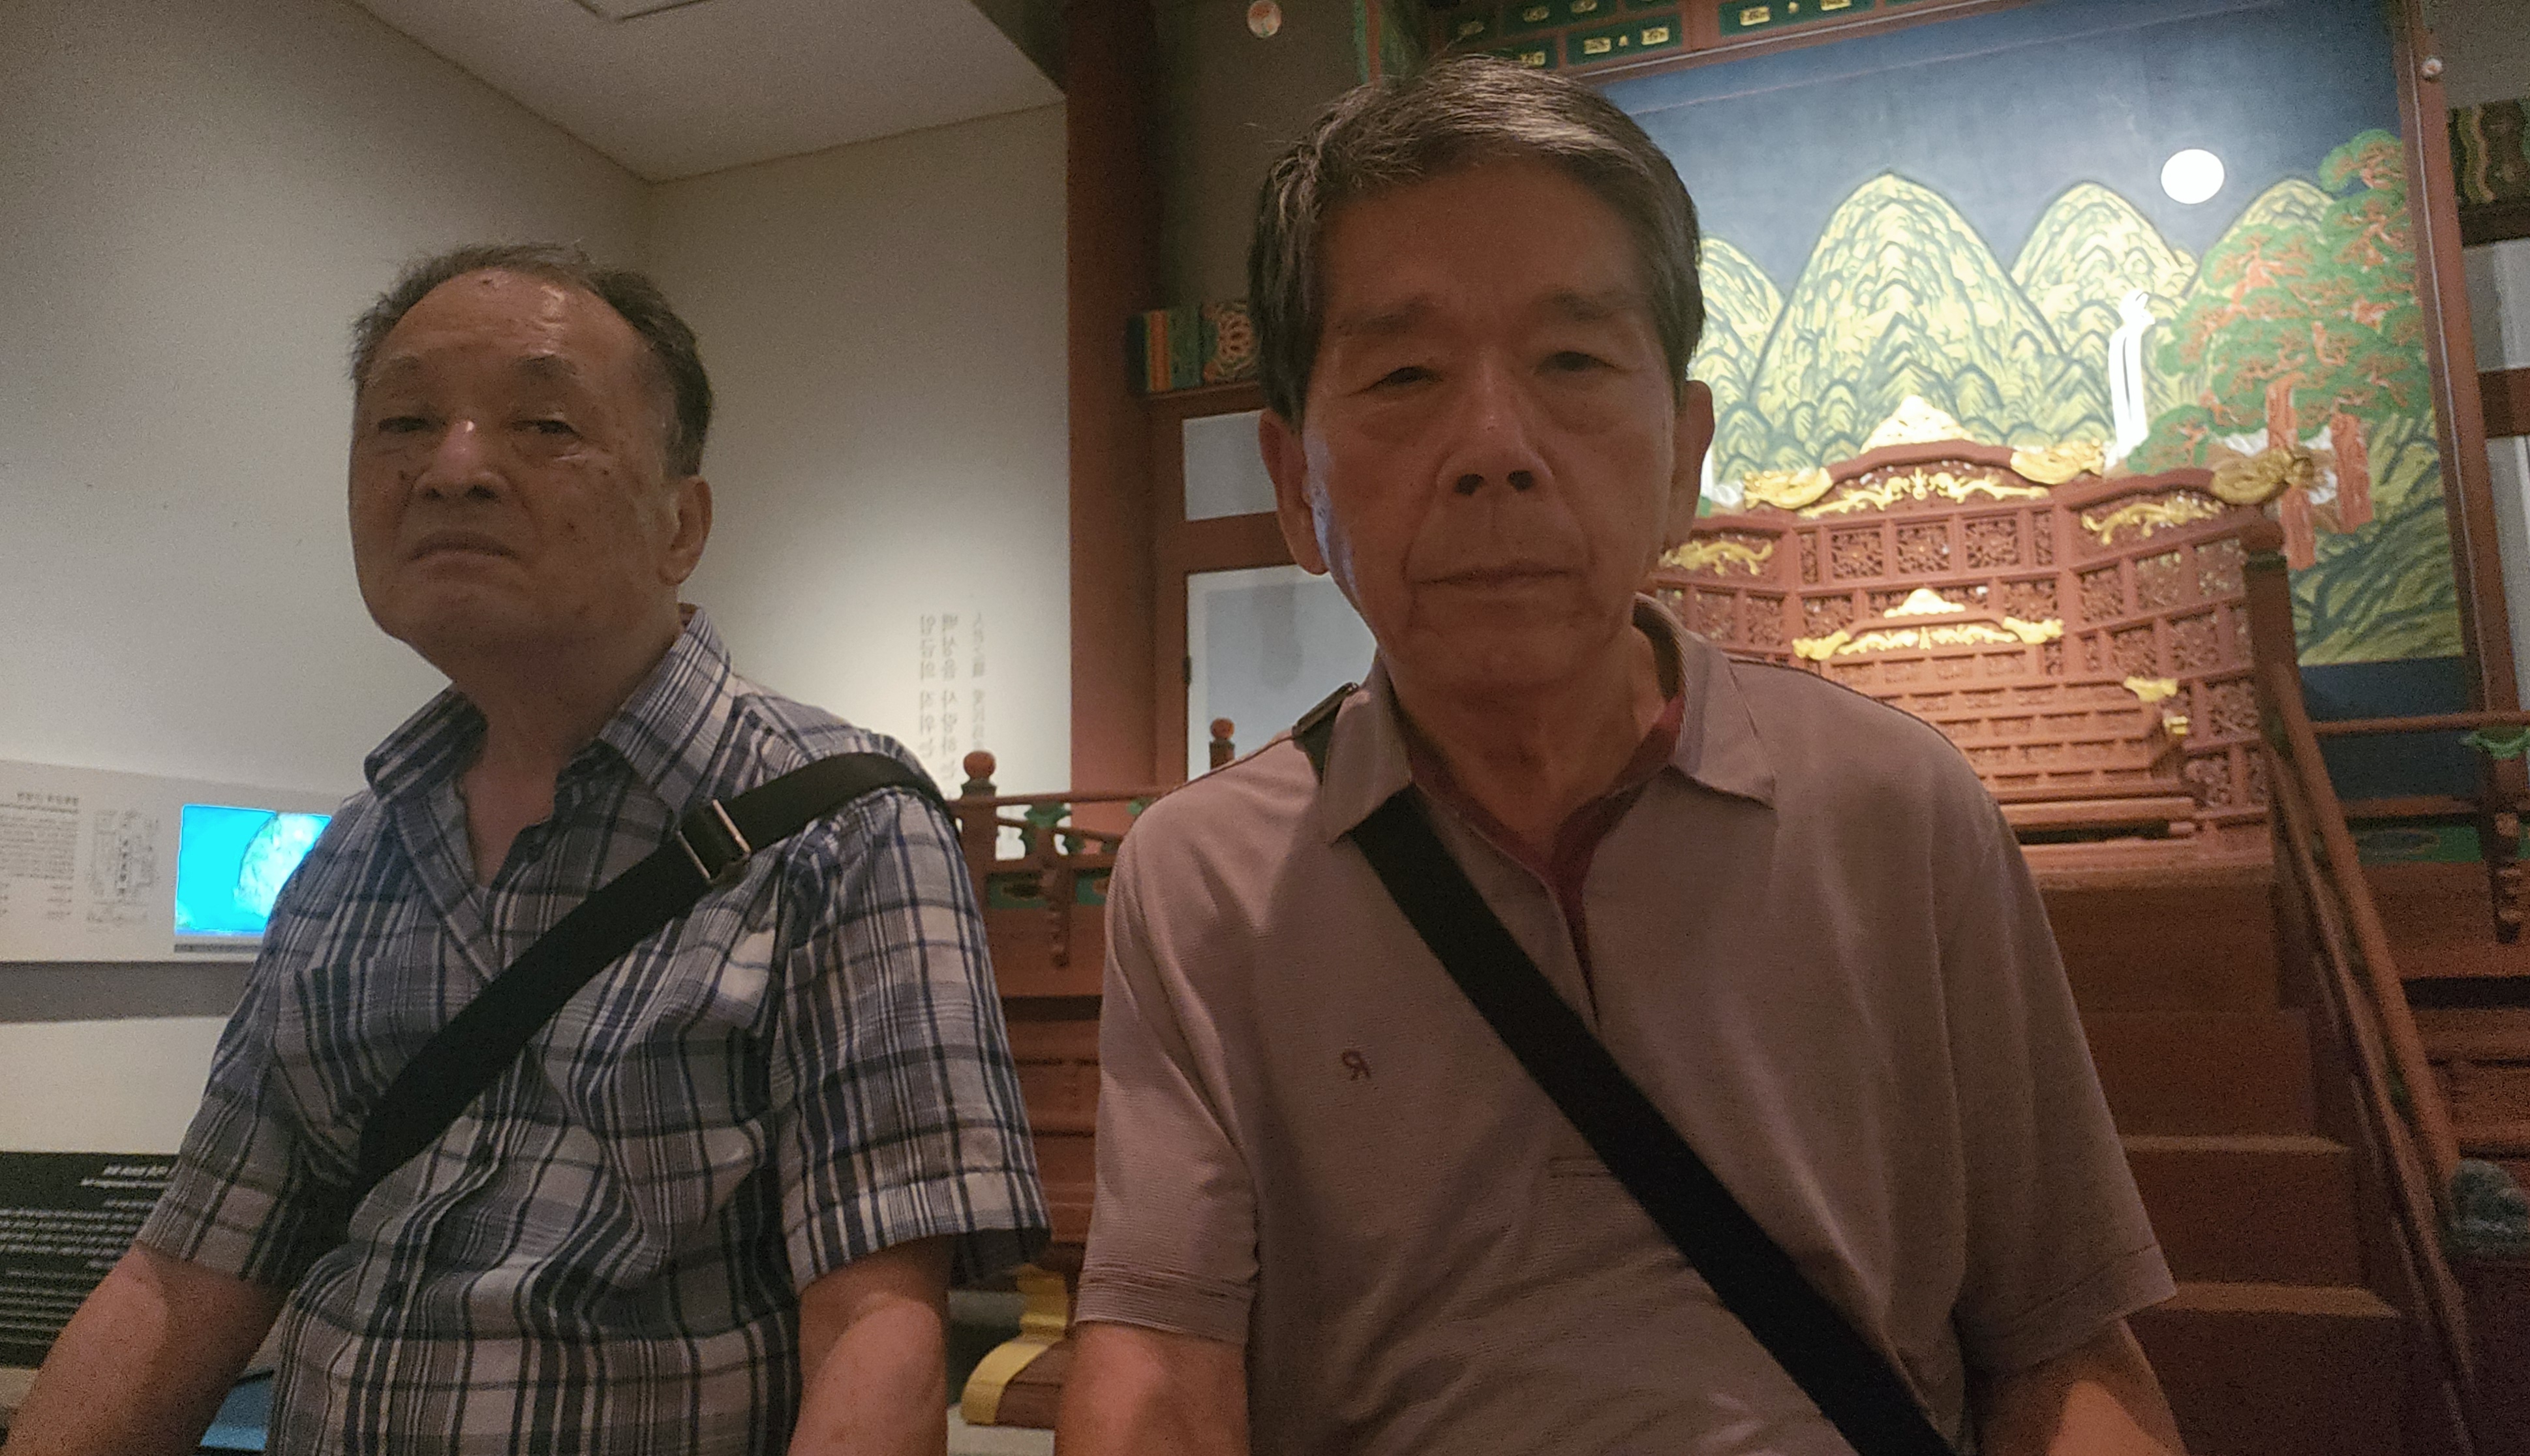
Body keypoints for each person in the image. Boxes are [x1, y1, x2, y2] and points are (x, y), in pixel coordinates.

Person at [1056, 59, 2187, 1456]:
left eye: (1574, 363)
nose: (1494, 449)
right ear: (1298, 488)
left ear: (1681, 455)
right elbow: (1158, 1377)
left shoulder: (1897, 808)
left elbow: (2062, 1352)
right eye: (1404, 374)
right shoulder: (1204, 882)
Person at [2, 245, 1049, 1456]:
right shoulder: (349, 859)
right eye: (404, 423)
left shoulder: (836, 824)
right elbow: (184, 1276)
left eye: (544, 424)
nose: (452, 469)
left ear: (681, 524)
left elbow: (877, 1332)